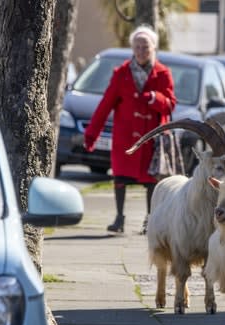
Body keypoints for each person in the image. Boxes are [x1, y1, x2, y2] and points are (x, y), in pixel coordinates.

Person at [83, 25, 176, 234]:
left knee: (151, 181)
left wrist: (155, 98)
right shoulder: (121, 73)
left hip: (150, 136)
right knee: (120, 178)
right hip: (125, 137)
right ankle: (119, 218)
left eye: (146, 47)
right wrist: (91, 134)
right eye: (138, 47)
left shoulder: (163, 73)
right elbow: (105, 105)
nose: (142, 51)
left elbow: (170, 104)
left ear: (153, 48)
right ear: (132, 48)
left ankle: (149, 219)